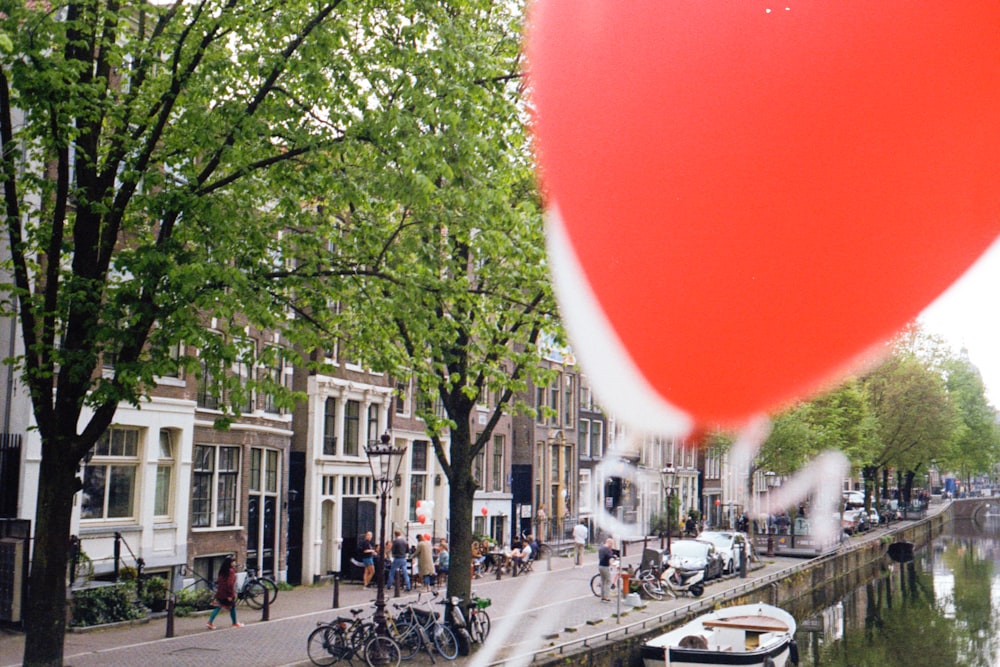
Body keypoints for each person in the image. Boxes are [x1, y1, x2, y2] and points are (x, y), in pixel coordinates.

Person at [206, 555, 243, 629]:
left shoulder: (222, 571)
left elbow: (220, 581)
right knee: (232, 607)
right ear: (230, 563)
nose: (234, 563)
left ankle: (210, 622)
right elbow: (230, 584)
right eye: (233, 562)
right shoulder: (231, 571)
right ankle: (235, 623)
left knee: (218, 607)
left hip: (220, 592)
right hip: (227, 593)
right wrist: (230, 594)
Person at [598, 538, 615, 602]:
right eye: (612, 544)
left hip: (600, 566)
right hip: (605, 566)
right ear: (610, 543)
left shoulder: (601, 548)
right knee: (609, 581)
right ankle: (606, 596)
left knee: (603, 581)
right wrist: (613, 564)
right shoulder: (607, 549)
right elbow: (609, 558)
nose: (612, 545)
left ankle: (602, 596)